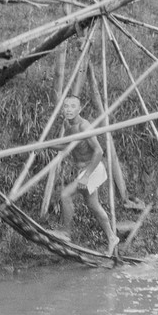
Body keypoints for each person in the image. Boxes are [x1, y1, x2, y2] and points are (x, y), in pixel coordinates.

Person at [56, 95, 119, 256]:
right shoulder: (67, 124)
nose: (69, 109)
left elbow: (99, 151)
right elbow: (66, 145)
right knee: (93, 206)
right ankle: (112, 237)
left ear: (80, 109)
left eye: (72, 106)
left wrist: (86, 176)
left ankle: (66, 233)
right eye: (66, 106)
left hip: (93, 169)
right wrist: (44, 146)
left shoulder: (85, 126)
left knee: (65, 195)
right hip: (83, 171)